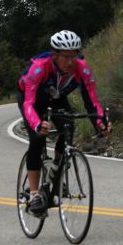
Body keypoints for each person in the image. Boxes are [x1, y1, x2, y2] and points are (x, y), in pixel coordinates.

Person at [17, 30, 111, 215]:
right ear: (55, 55)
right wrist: (37, 123)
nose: (70, 62)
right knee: (37, 138)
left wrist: (100, 123)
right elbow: (28, 103)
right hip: (33, 99)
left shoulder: (82, 68)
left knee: (68, 127)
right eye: (65, 57)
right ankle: (35, 194)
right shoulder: (39, 67)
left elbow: (92, 100)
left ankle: (57, 169)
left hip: (57, 97)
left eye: (74, 56)